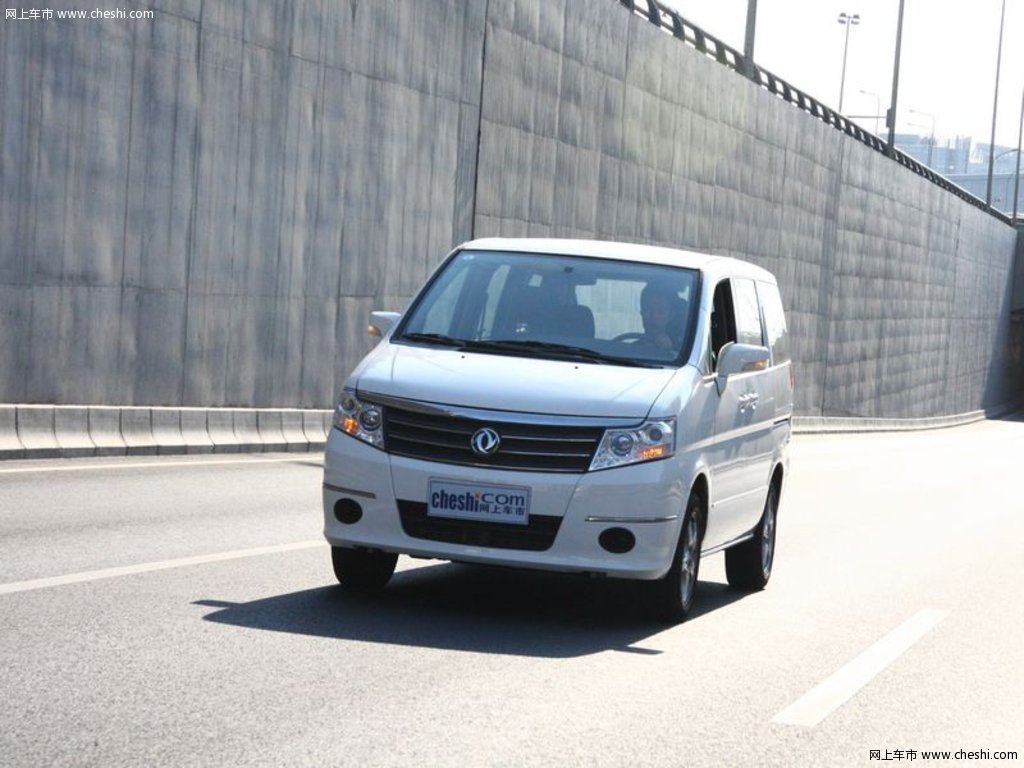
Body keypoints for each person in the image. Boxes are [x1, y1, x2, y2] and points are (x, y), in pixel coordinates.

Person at [640, 284, 678, 352]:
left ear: (671, 315)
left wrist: (669, 350)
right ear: (641, 312)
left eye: (661, 311)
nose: (654, 316)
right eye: (648, 309)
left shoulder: (682, 355)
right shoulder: (628, 351)